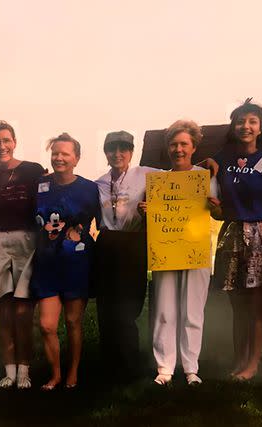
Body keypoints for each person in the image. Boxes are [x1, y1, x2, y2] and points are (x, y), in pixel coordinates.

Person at [138, 121, 220, 385]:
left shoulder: (205, 177)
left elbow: (219, 212)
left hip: (195, 251)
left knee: (192, 311)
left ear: (194, 147)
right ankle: (165, 368)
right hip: (167, 250)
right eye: (174, 144)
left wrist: (216, 207)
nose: (178, 149)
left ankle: (190, 368)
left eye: (184, 144)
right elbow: (150, 215)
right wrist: (146, 211)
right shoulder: (160, 181)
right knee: (164, 310)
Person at [211, 99, 262, 380]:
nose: (246, 126)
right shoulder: (223, 159)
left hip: (259, 235)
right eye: (241, 121)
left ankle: (253, 363)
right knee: (236, 306)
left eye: (252, 121)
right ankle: (239, 360)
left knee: (254, 306)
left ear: (260, 128)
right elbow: (212, 195)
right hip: (230, 233)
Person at [30, 133, 101, 390]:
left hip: (77, 264)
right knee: (47, 325)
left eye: (65, 154)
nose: (59, 158)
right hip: (47, 264)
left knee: (73, 322)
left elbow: (101, 222)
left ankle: (73, 372)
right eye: (55, 153)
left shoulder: (89, 188)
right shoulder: (40, 185)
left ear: (76, 158)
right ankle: (55, 374)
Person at [0, 121, 45, 389]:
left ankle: (24, 373)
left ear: (14, 142)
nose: (2, 145)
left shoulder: (33, 170)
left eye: (6, 140)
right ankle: (9, 372)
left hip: (26, 240)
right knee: (4, 313)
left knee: (23, 313)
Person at [94, 130, 156, 383]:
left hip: (133, 242)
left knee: (129, 306)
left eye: (123, 149)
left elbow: (182, 176)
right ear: (106, 152)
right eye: (112, 149)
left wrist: (206, 163)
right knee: (106, 305)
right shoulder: (99, 182)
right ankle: (108, 362)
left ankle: (130, 363)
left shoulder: (148, 174)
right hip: (108, 242)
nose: (117, 154)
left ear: (131, 151)